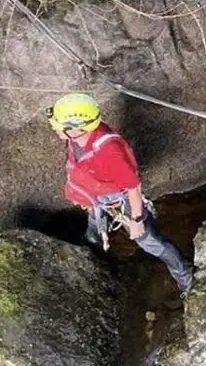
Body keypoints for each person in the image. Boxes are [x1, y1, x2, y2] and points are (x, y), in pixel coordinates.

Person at [48, 93, 193, 295]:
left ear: (77, 128)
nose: (54, 128)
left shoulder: (110, 151)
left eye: (59, 125)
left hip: (120, 199)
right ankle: (95, 269)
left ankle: (185, 276)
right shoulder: (77, 140)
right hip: (98, 199)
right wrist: (84, 199)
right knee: (93, 236)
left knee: (149, 241)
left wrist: (136, 220)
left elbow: (133, 187)